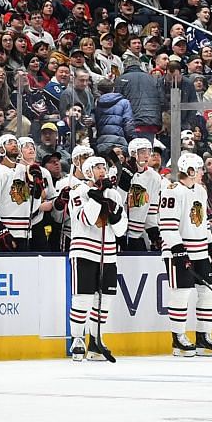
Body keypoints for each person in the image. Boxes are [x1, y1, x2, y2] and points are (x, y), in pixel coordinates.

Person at [161, 152, 212, 357]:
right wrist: (178, 250)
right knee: (181, 293)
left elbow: (202, 222)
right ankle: (178, 338)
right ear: (190, 171)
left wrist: (211, 246)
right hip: (179, 251)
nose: (203, 172)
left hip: (200, 251)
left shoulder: (201, 191)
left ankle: (203, 336)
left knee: (208, 292)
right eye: (200, 169)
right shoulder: (172, 191)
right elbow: (167, 226)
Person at [65, 154, 124, 363]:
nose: (102, 170)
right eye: (98, 167)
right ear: (89, 171)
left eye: (104, 167)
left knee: (103, 300)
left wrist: (115, 214)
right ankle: (78, 339)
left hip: (108, 254)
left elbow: (120, 229)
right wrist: (97, 198)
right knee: (82, 298)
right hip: (83, 251)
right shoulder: (79, 192)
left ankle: (96, 339)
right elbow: (87, 219)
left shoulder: (114, 194)